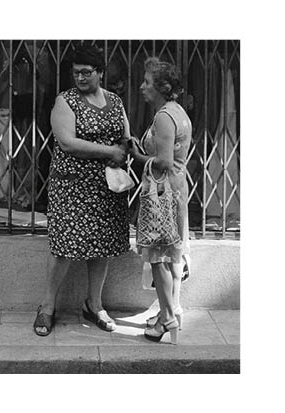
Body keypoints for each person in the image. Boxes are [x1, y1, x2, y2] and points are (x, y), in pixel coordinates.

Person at [33, 44, 131, 336]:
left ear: (100, 72)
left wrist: (126, 149)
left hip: (106, 187)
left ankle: (94, 304)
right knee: (64, 247)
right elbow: (67, 142)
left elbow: (125, 136)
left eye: (86, 72)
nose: (80, 78)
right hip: (72, 186)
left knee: (102, 245)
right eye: (75, 72)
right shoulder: (66, 101)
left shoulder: (115, 101)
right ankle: (47, 307)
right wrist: (110, 151)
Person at [129, 57, 192, 344]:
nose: (142, 87)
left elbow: (164, 161)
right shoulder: (177, 112)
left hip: (162, 194)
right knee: (169, 257)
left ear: (162, 88)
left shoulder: (164, 117)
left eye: (147, 82)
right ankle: (169, 315)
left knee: (159, 257)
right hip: (173, 190)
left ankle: (167, 319)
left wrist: (136, 154)